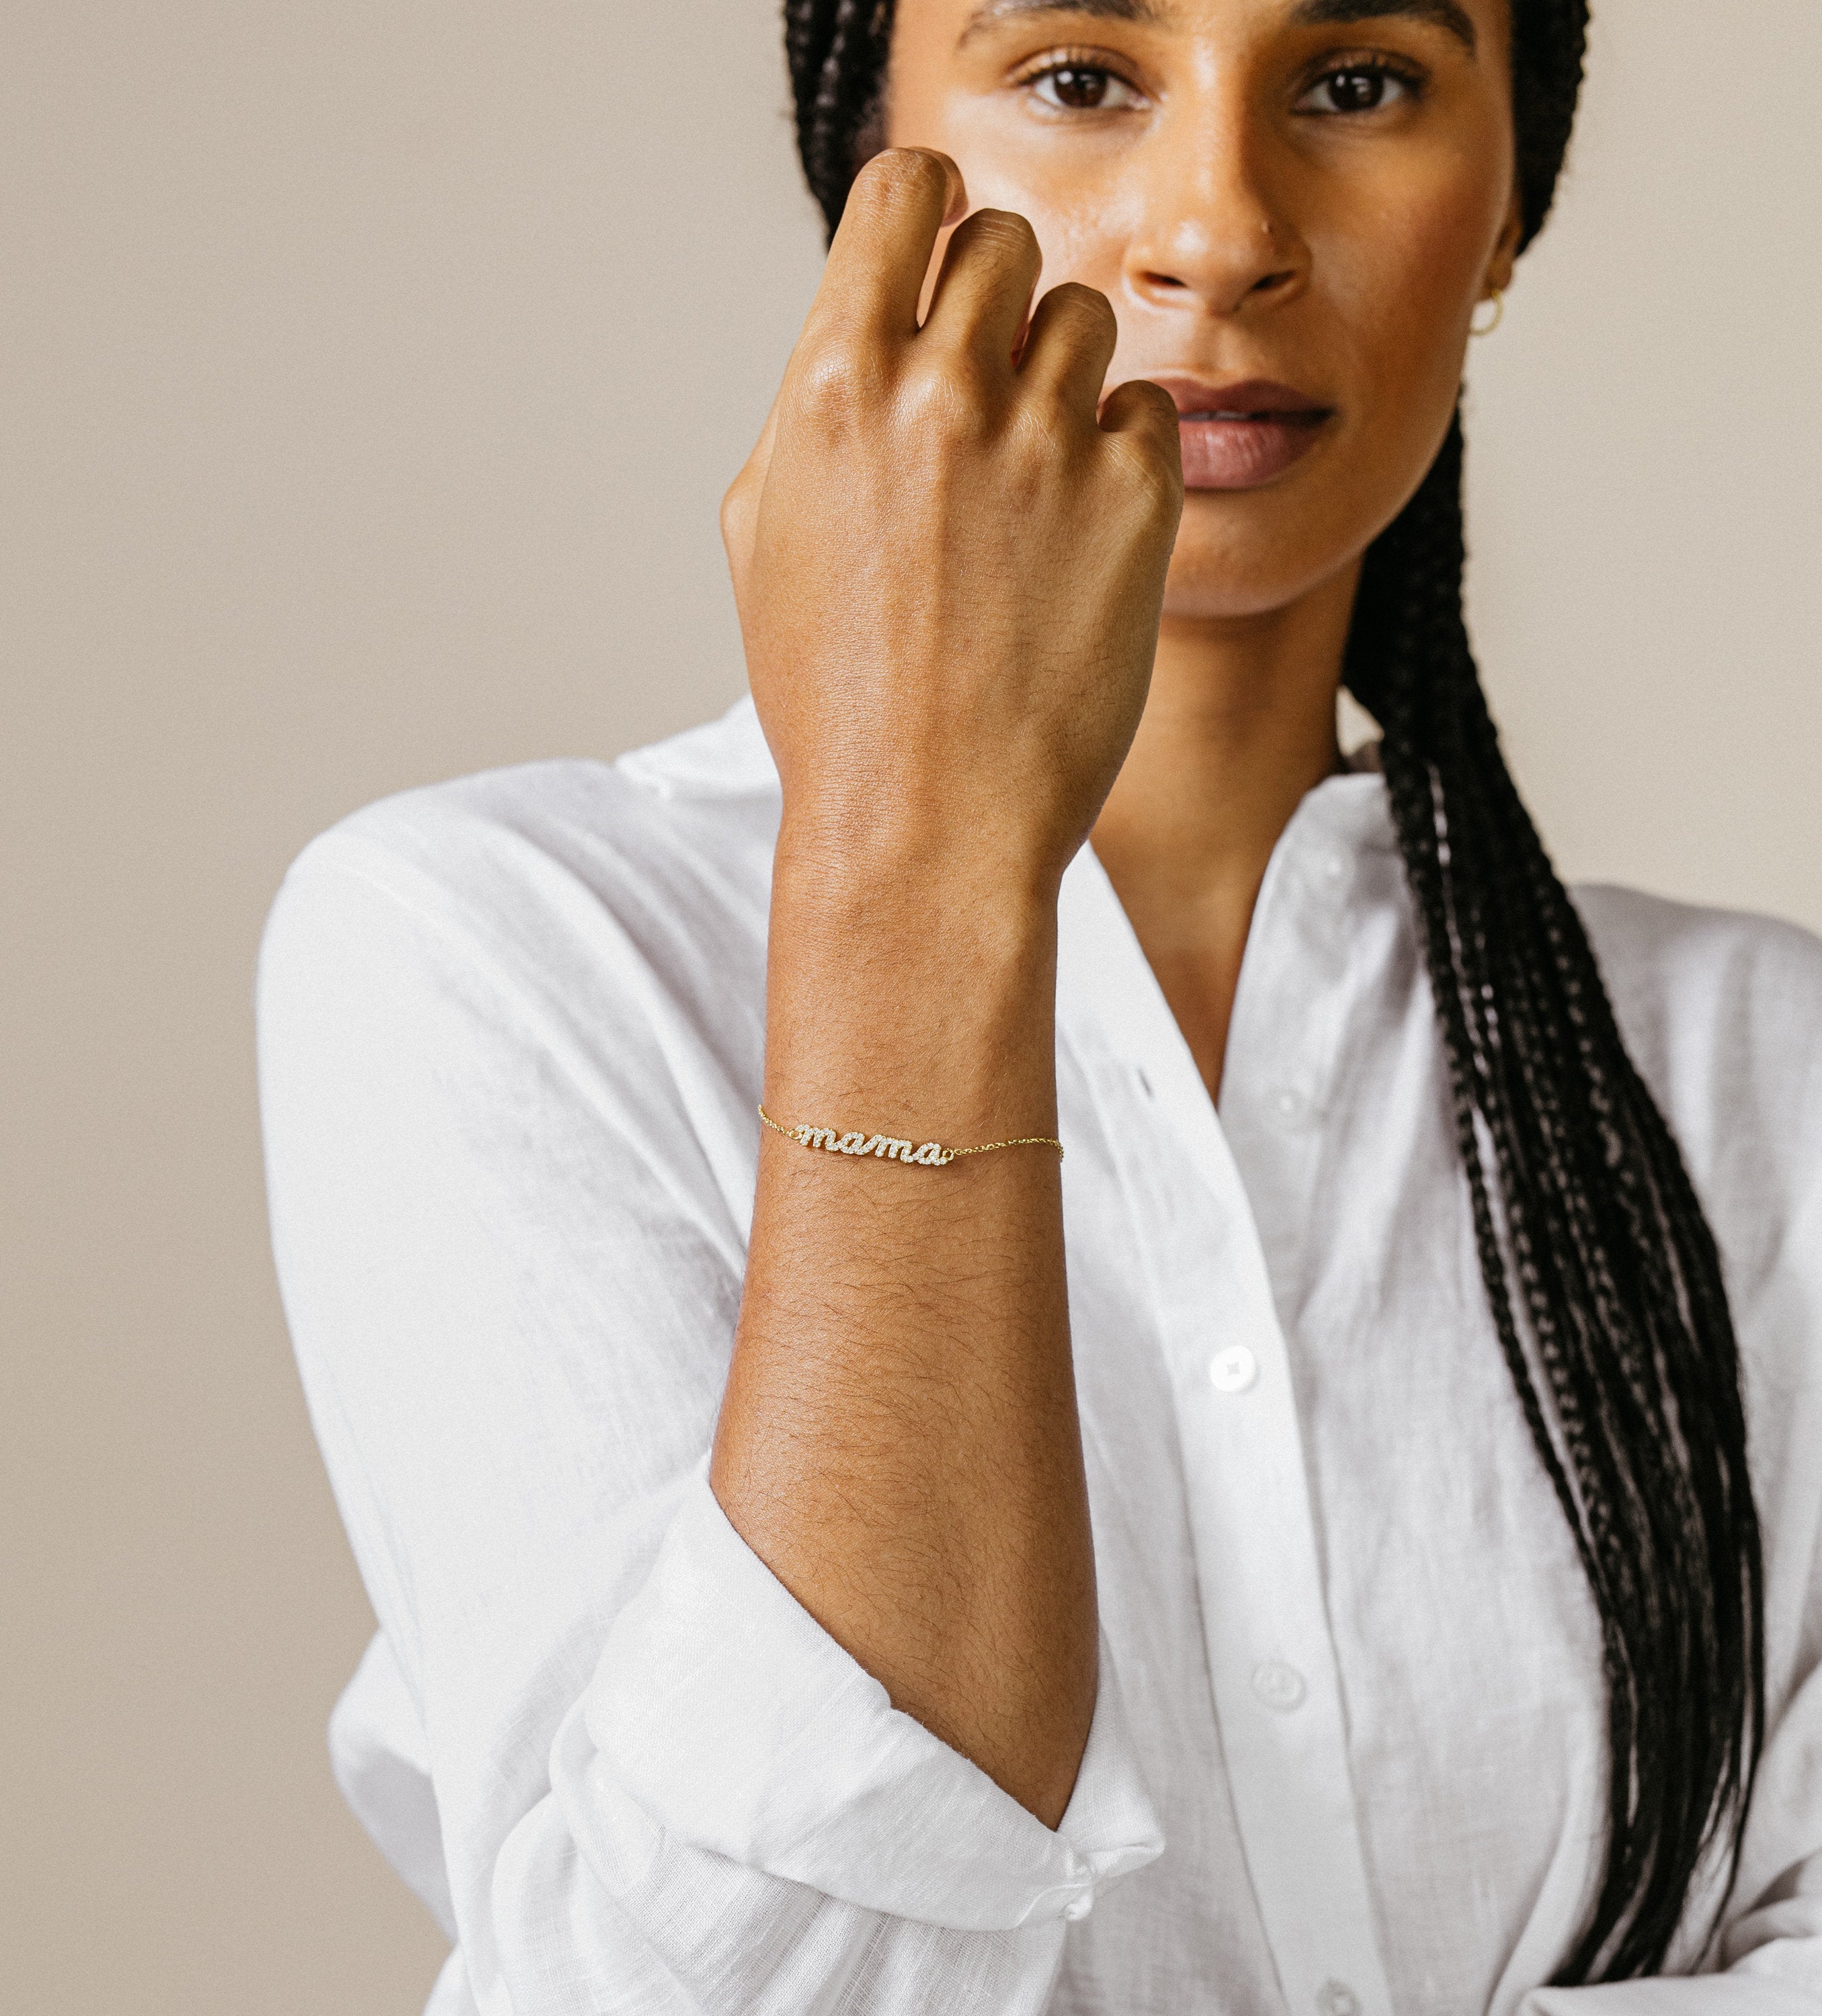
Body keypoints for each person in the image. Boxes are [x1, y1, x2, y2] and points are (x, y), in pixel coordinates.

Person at [255, 1, 1822, 2010]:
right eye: (1081, 80)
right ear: (871, 173)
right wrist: (926, 875)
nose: (1220, 232)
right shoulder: (510, 954)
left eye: (1357, 85)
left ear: (1511, 199)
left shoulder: (1764, 1077)